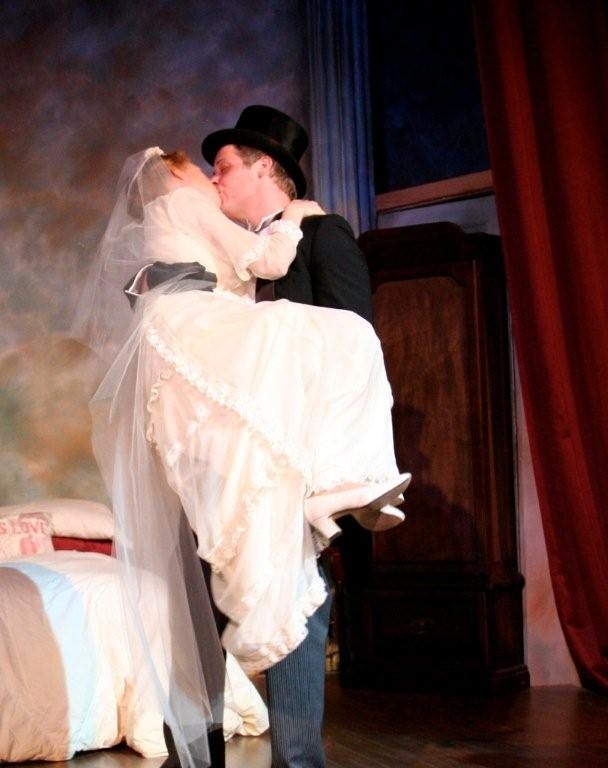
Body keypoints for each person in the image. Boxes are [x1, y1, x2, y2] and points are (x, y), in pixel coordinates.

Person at [78, 143, 409, 768]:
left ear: (264, 168)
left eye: (224, 166)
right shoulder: (206, 232)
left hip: (282, 461)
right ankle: (197, 752)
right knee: (201, 604)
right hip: (214, 447)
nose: (214, 179)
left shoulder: (318, 234)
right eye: (207, 170)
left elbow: (346, 328)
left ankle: (296, 758)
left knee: (289, 599)